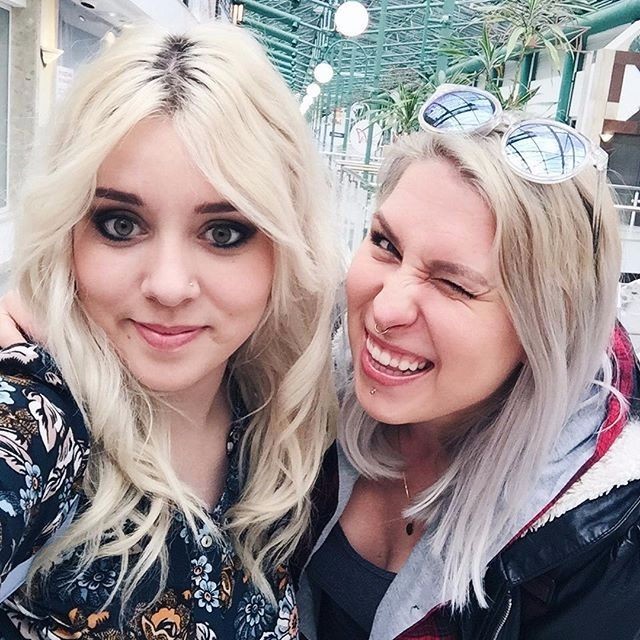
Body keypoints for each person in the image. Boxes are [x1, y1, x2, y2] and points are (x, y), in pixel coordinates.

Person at [0, 22, 339, 638]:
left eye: (224, 233)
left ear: (284, 252)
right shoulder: (37, 414)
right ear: (67, 232)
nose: (169, 285)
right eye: (120, 225)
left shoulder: (280, 424)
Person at [294, 86, 640, 639]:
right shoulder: (300, 393)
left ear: (546, 328)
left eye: (453, 284)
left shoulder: (603, 542)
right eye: (385, 244)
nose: (385, 308)